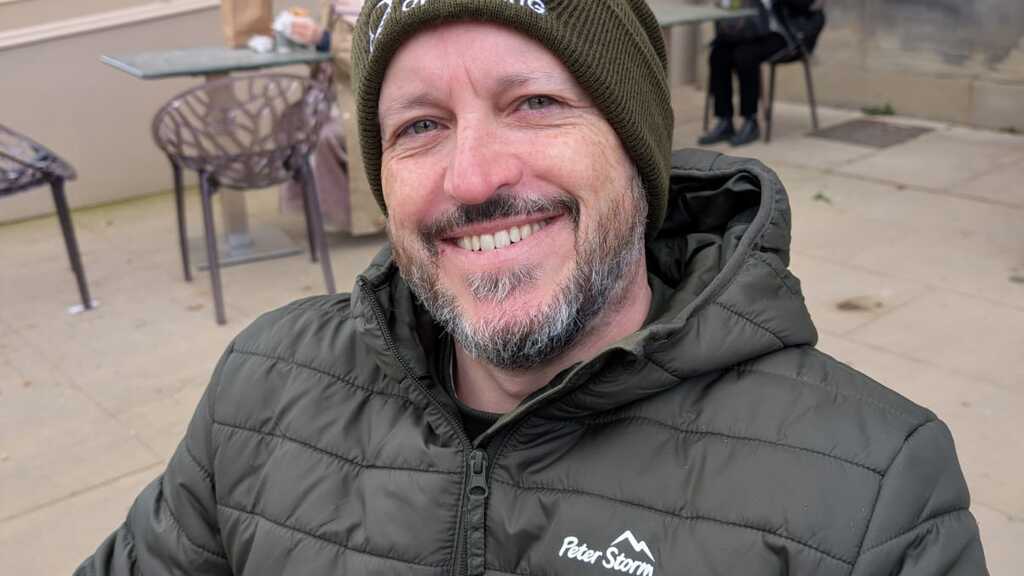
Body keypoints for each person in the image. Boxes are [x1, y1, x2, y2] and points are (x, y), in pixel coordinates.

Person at [76, 1, 987, 575]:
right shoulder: (264, 389)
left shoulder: (867, 488)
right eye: (421, 125)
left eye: (536, 104)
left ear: (634, 149)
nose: (471, 177)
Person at [281, 0, 385, 235]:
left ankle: (348, 214)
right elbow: (324, 58)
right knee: (292, 122)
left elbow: (368, 63)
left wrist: (324, 40)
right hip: (331, 96)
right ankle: (317, 206)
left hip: (360, 101)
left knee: (327, 137)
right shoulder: (334, 7)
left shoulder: (374, 9)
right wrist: (304, 41)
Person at [699, 0, 826, 146]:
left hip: (784, 33)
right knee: (719, 54)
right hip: (746, 31)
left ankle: (750, 120)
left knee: (745, 55)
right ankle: (724, 119)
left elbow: (808, 6)